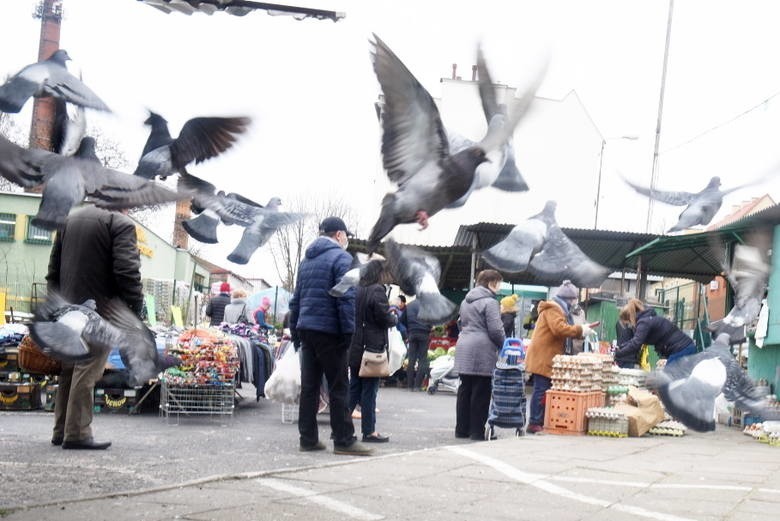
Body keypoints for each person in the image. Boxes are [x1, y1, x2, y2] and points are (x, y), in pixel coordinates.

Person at [46, 206, 144, 450]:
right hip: (99, 311)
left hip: (68, 309)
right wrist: (133, 307)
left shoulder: (69, 219)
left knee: (70, 368)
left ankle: (62, 429)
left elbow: (53, 270)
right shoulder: (120, 223)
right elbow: (127, 271)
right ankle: (77, 433)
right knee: (88, 369)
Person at [288, 216, 372, 456]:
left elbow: (297, 300)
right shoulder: (342, 259)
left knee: (310, 387)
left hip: (307, 330)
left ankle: (308, 438)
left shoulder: (306, 261)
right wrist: (348, 332)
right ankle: (344, 440)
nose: (347, 239)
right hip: (331, 331)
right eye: (346, 235)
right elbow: (344, 298)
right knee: (338, 387)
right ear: (339, 235)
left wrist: (296, 331)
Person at [524, 281, 595, 434]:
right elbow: (559, 329)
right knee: (541, 390)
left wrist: (581, 330)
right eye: (575, 299)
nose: (575, 302)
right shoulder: (554, 309)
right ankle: (534, 422)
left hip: (547, 355)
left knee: (544, 389)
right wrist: (580, 329)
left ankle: (540, 420)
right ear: (569, 299)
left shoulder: (557, 308)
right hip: (544, 355)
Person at [453, 269, 506, 441]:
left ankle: (461, 429)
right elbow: (496, 329)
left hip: (464, 345)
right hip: (481, 348)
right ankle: (476, 431)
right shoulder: (490, 302)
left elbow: (462, 323)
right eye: (499, 282)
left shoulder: (465, 300)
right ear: (492, 283)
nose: (500, 286)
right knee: (481, 390)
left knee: (465, 388)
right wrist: (503, 344)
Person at [348, 272, 397, 443]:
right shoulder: (377, 290)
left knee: (354, 388)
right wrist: (394, 318)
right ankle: (369, 432)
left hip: (355, 345)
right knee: (369, 391)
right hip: (371, 347)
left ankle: (341, 428)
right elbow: (383, 317)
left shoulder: (356, 289)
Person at [614, 298, 697, 368]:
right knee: (670, 378)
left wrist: (618, 354)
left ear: (630, 318)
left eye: (627, 323)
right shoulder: (646, 320)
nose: (629, 326)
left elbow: (636, 343)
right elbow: (634, 341)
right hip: (683, 348)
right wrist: (621, 347)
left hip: (681, 349)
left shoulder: (644, 323)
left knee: (668, 378)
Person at [401, 298, 432, 391]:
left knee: (411, 359)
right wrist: (429, 327)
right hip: (424, 334)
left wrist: (409, 328)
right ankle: (417, 385)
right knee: (422, 359)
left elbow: (401, 319)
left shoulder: (409, 305)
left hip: (412, 333)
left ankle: (410, 385)